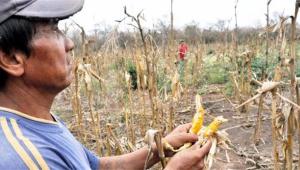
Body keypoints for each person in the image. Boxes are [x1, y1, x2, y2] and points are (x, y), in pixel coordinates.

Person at [0, 0, 211, 169]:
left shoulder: (39, 121)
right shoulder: (24, 159)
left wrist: (159, 150)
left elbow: (97, 166)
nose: (70, 43)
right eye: (53, 29)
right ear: (11, 58)